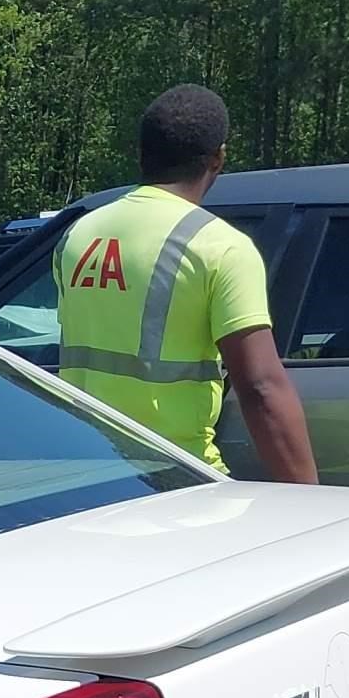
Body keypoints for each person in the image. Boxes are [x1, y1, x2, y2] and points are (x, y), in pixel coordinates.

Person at [54, 84, 317, 482]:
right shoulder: (218, 246)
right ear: (218, 158)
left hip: (82, 472)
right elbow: (261, 387)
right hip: (173, 475)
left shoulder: (79, 234)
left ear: (142, 153)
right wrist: (309, 504)